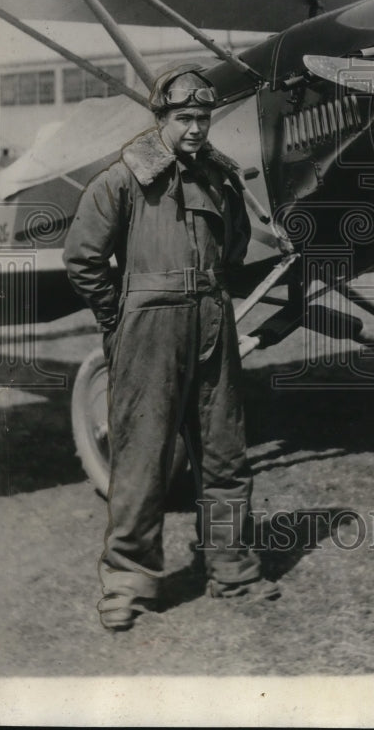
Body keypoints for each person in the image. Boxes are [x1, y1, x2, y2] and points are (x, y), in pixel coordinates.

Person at [63, 64, 279, 631]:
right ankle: (128, 585)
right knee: (141, 458)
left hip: (212, 319)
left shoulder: (218, 178)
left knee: (225, 453)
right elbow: (84, 258)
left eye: (203, 117)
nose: (196, 128)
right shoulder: (122, 179)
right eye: (184, 117)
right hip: (148, 327)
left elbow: (234, 246)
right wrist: (118, 319)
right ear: (161, 117)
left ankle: (233, 570)